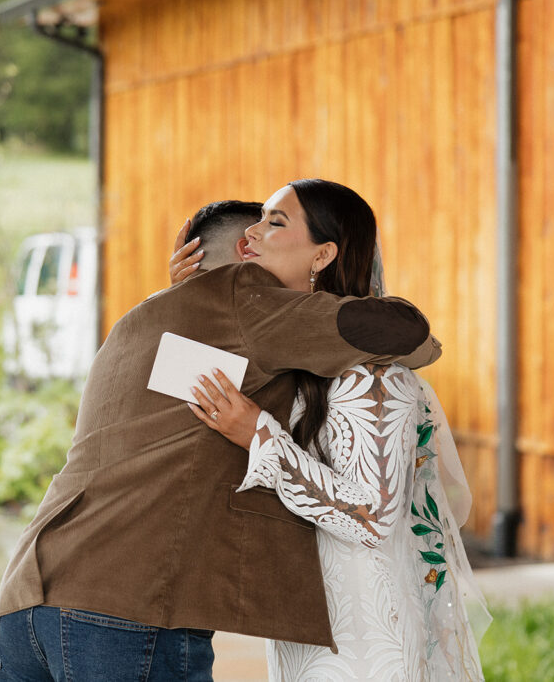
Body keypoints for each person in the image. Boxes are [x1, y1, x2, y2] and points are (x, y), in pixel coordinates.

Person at [0, 198, 444, 681]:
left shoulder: (144, 318)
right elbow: (408, 334)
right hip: (123, 611)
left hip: (25, 605)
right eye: (261, 229)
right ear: (246, 250)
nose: (264, 240)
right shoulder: (247, 301)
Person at [179, 179, 491, 680]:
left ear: (322, 255)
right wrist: (184, 297)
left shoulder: (375, 376)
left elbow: (372, 516)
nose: (251, 234)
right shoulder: (288, 363)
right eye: (258, 219)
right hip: (301, 619)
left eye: (274, 222)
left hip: (365, 636)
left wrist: (258, 434)